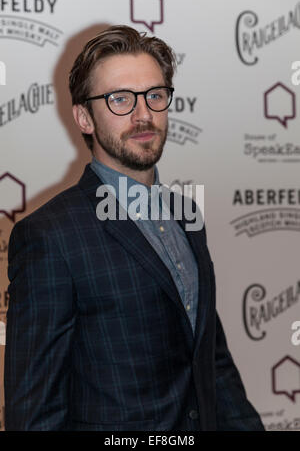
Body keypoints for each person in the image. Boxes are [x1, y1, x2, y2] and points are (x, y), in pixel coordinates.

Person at [4, 25, 264, 431]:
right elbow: (33, 414)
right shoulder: (49, 236)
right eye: (119, 99)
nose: (143, 115)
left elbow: (212, 364)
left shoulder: (186, 217)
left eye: (155, 96)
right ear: (84, 117)